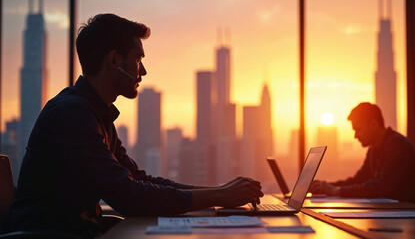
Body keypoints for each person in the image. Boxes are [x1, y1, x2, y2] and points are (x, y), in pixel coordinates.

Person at [9, 14, 263, 238]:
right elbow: (129, 196)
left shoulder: (95, 113)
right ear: (114, 60)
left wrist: (221, 191)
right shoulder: (73, 115)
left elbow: (138, 179)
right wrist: (220, 196)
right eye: (138, 59)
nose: (143, 71)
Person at [311, 102, 415, 204]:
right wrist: (326, 187)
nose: (355, 136)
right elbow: (359, 180)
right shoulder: (374, 148)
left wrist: (336, 190)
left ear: (373, 124)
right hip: (390, 212)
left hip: (406, 215)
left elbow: (381, 187)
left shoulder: (397, 145)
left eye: (358, 130)